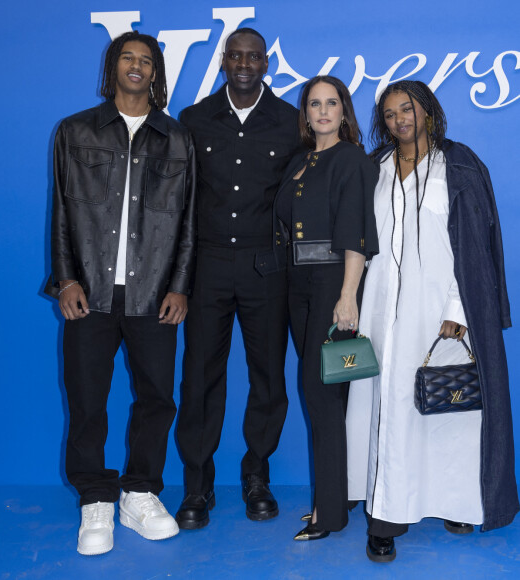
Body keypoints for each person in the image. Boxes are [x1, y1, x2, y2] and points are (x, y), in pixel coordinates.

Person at [346, 80, 519, 562]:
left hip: (441, 310)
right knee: (391, 410)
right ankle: (386, 516)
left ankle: (456, 500)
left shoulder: (458, 165)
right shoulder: (375, 168)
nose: (400, 119)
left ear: (429, 112)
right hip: (382, 310)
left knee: (451, 410)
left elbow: (477, 247)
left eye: (408, 109)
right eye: (390, 114)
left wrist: (459, 309)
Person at [46, 31, 197, 555]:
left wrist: (180, 287)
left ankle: (139, 493)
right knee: (87, 399)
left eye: (146, 61)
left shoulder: (176, 138)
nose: (137, 67)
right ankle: (94, 498)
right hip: (88, 292)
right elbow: (63, 209)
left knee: (157, 397)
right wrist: (65, 279)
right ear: (112, 67)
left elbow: (188, 223)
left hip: (153, 294)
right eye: (127, 58)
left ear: (156, 73)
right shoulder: (76, 130)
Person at [174, 27, 300, 529]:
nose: (245, 63)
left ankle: (256, 474)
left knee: (268, 376)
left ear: (266, 63)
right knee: (201, 377)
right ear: (224, 62)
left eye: (254, 56)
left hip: (266, 268)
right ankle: (197, 483)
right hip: (206, 268)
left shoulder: (292, 122)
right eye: (236, 56)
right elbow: (179, 203)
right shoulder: (195, 120)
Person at [257, 76, 378, 540]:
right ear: (304, 113)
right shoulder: (300, 161)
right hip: (296, 285)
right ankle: (337, 499)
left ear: (344, 111)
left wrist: (348, 296)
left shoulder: (351, 160)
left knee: (322, 395)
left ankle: (329, 514)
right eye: (314, 104)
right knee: (326, 396)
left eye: (332, 103)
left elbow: (356, 233)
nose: (323, 111)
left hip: (333, 285)